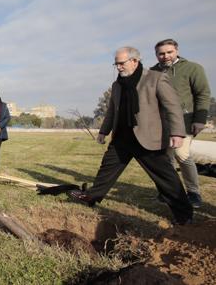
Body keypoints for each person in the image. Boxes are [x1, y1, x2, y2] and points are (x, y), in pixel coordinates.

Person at [69, 47, 193, 225]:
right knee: (107, 169)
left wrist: (177, 133)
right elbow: (112, 110)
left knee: (166, 178)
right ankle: (91, 197)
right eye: (116, 64)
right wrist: (104, 131)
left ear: (135, 61)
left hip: (149, 139)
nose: (118, 67)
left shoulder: (155, 78)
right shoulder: (117, 85)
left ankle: (184, 215)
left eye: (121, 63)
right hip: (122, 138)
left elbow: (172, 107)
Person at [151, 39, 211, 208]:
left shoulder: (193, 68)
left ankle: (193, 193)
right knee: (166, 158)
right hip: (161, 123)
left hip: (184, 121)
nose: (165, 56)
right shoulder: (152, 72)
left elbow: (203, 94)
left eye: (169, 52)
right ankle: (170, 191)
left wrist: (199, 120)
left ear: (176, 50)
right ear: (156, 55)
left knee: (182, 155)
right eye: (161, 53)